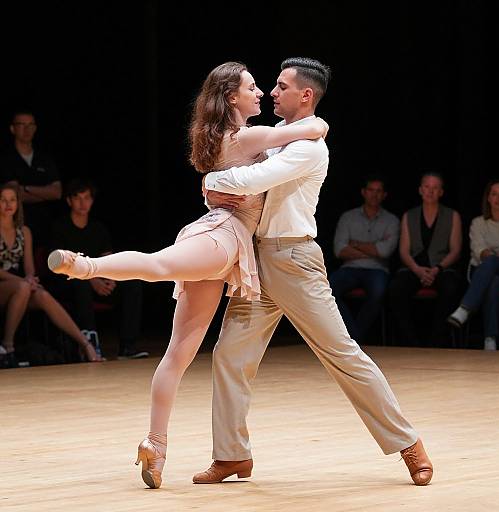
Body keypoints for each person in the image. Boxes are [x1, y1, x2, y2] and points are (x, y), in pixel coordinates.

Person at [46, 61, 329, 488]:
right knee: (160, 266)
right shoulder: (249, 135)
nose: (261, 94)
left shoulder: (220, 137)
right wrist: (318, 119)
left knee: (178, 353)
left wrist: (217, 180)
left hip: (221, 241)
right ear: (232, 98)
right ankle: (87, 265)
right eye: (253, 88)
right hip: (223, 235)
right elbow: (311, 130)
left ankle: (155, 446)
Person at [193, 57, 433, 487]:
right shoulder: (276, 138)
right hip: (258, 258)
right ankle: (232, 455)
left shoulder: (308, 146)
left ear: (306, 95)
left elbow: (252, 180)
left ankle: (409, 443)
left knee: (341, 354)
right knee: (230, 355)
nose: (271, 92)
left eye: (281, 86)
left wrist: (212, 182)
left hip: (295, 260)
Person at [0, 184, 101, 368]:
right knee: (24, 287)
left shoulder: (24, 231)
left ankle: (85, 344)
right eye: (3, 200)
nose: (8, 204)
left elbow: (29, 267)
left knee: (43, 295)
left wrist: (30, 278)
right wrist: (24, 281)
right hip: (5, 284)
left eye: (12, 200)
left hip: (20, 286)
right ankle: (8, 347)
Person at [49, 178, 147, 359]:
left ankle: (127, 346)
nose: (82, 203)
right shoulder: (60, 227)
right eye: (77, 198)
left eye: (87, 198)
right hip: (70, 283)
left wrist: (110, 279)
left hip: (98, 280)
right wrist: (92, 280)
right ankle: (91, 346)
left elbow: (107, 257)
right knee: (81, 285)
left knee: (132, 284)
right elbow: (60, 265)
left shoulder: (98, 229)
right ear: (69, 201)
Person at [388, 172, 462, 347]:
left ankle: (437, 341)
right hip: (415, 268)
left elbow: (455, 251)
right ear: (420, 190)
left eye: (435, 188)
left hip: (442, 269)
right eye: (427, 187)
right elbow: (404, 251)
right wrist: (417, 269)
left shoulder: (452, 215)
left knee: (451, 288)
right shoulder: (409, 216)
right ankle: (410, 342)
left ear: (441, 192)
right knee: (396, 289)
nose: (431, 191)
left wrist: (437, 269)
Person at [328, 175, 399, 342]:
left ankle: (353, 339)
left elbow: (385, 252)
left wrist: (355, 245)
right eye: (371, 190)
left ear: (384, 195)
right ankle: (354, 337)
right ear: (363, 192)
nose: (374, 195)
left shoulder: (391, 220)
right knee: (329, 290)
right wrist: (373, 249)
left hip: (377, 269)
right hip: (349, 268)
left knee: (378, 292)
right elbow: (339, 250)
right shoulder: (348, 217)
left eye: (378, 191)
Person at [448, 179, 499, 350]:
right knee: (494, 281)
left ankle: (465, 308)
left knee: (495, 268)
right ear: (488, 198)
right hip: (481, 271)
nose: (498, 198)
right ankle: (490, 339)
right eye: (494, 194)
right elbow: (481, 251)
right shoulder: (478, 223)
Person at [0, 110, 62, 248]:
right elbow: (15, 195)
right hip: (16, 228)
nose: (27, 129)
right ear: (12, 128)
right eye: (22, 124)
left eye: (30, 125)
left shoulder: (45, 158)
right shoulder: (5, 159)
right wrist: (45, 193)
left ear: (35, 128)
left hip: (45, 227)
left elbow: (57, 193)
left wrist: (27, 188)